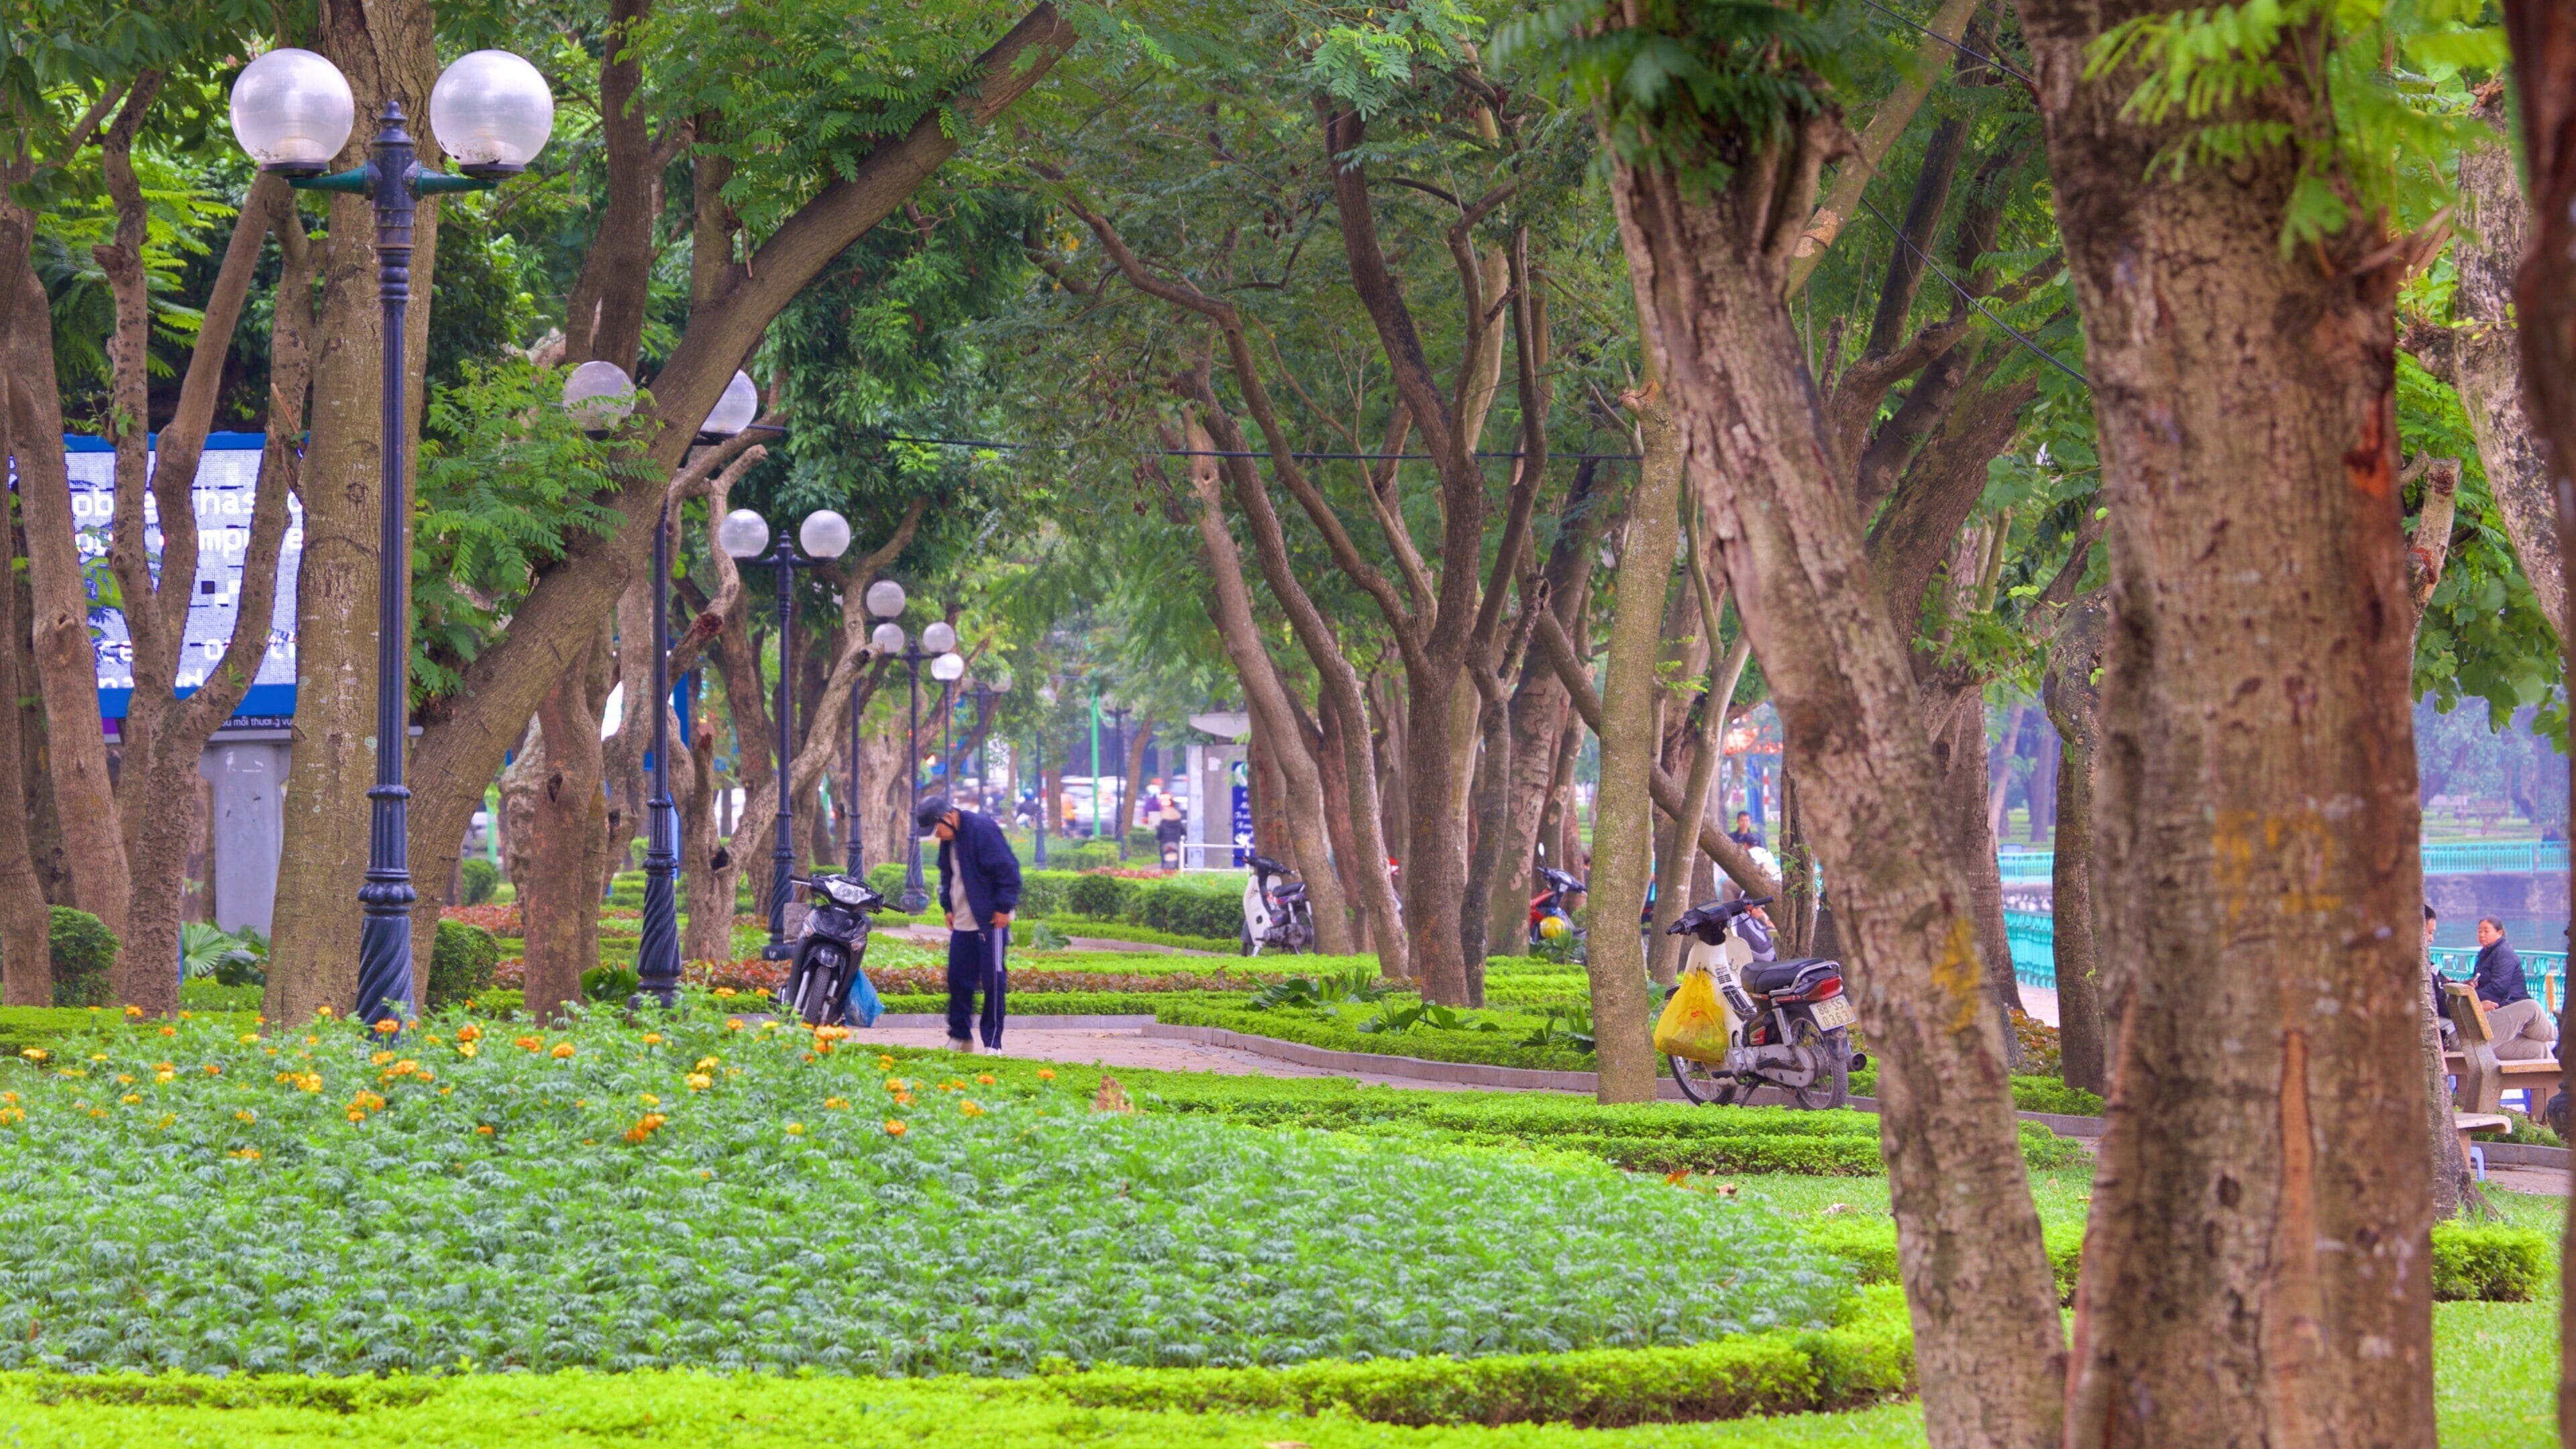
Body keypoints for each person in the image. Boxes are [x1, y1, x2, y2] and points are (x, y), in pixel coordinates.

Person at [918, 794, 1022, 1053]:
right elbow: (947, 874)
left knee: (993, 981)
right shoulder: (949, 840)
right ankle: (960, 1037)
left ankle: (993, 1043)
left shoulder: (982, 830)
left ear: (948, 817)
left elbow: (1009, 870)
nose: (937, 836)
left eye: (936, 829)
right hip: (963, 921)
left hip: (991, 921)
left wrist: (1003, 908)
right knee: (958, 979)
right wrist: (948, 907)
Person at [2473, 917, 2557, 1062]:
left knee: (2543, 1034)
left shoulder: (2503, 953)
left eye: (2486, 931)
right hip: (2498, 1007)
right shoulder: (2485, 953)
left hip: (2511, 1004)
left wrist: (2472, 994)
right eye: (2479, 931)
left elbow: (2499, 988)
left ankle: (2554, 1040)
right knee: (2539, 1047)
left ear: (2499, 933)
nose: (2481, 935)